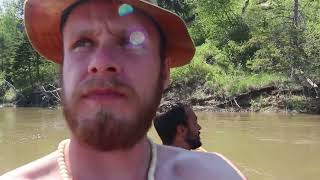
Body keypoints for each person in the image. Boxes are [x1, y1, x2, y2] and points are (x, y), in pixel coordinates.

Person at [1, 0, 246, 179]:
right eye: (82, 43)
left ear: (164, 71)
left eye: (132, 41)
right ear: (63, 69)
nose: (101, 62)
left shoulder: (217, 175)